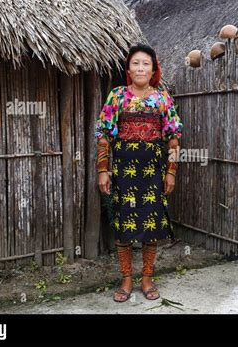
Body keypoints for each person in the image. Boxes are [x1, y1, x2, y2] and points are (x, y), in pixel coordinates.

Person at [95, 43, 182, 302]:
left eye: (146, 63)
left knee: (150, 227)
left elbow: (174, 139)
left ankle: (146, 278)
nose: (141, 68)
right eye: (136, 63)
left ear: (153, 69)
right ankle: (126, 279)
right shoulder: (117, 96)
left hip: (153, 174)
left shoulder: (162, 98)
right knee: (123, 226)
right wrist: (103, 170)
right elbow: (103, 137)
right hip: (123, 173)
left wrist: (171, 173)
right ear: (129, 69)